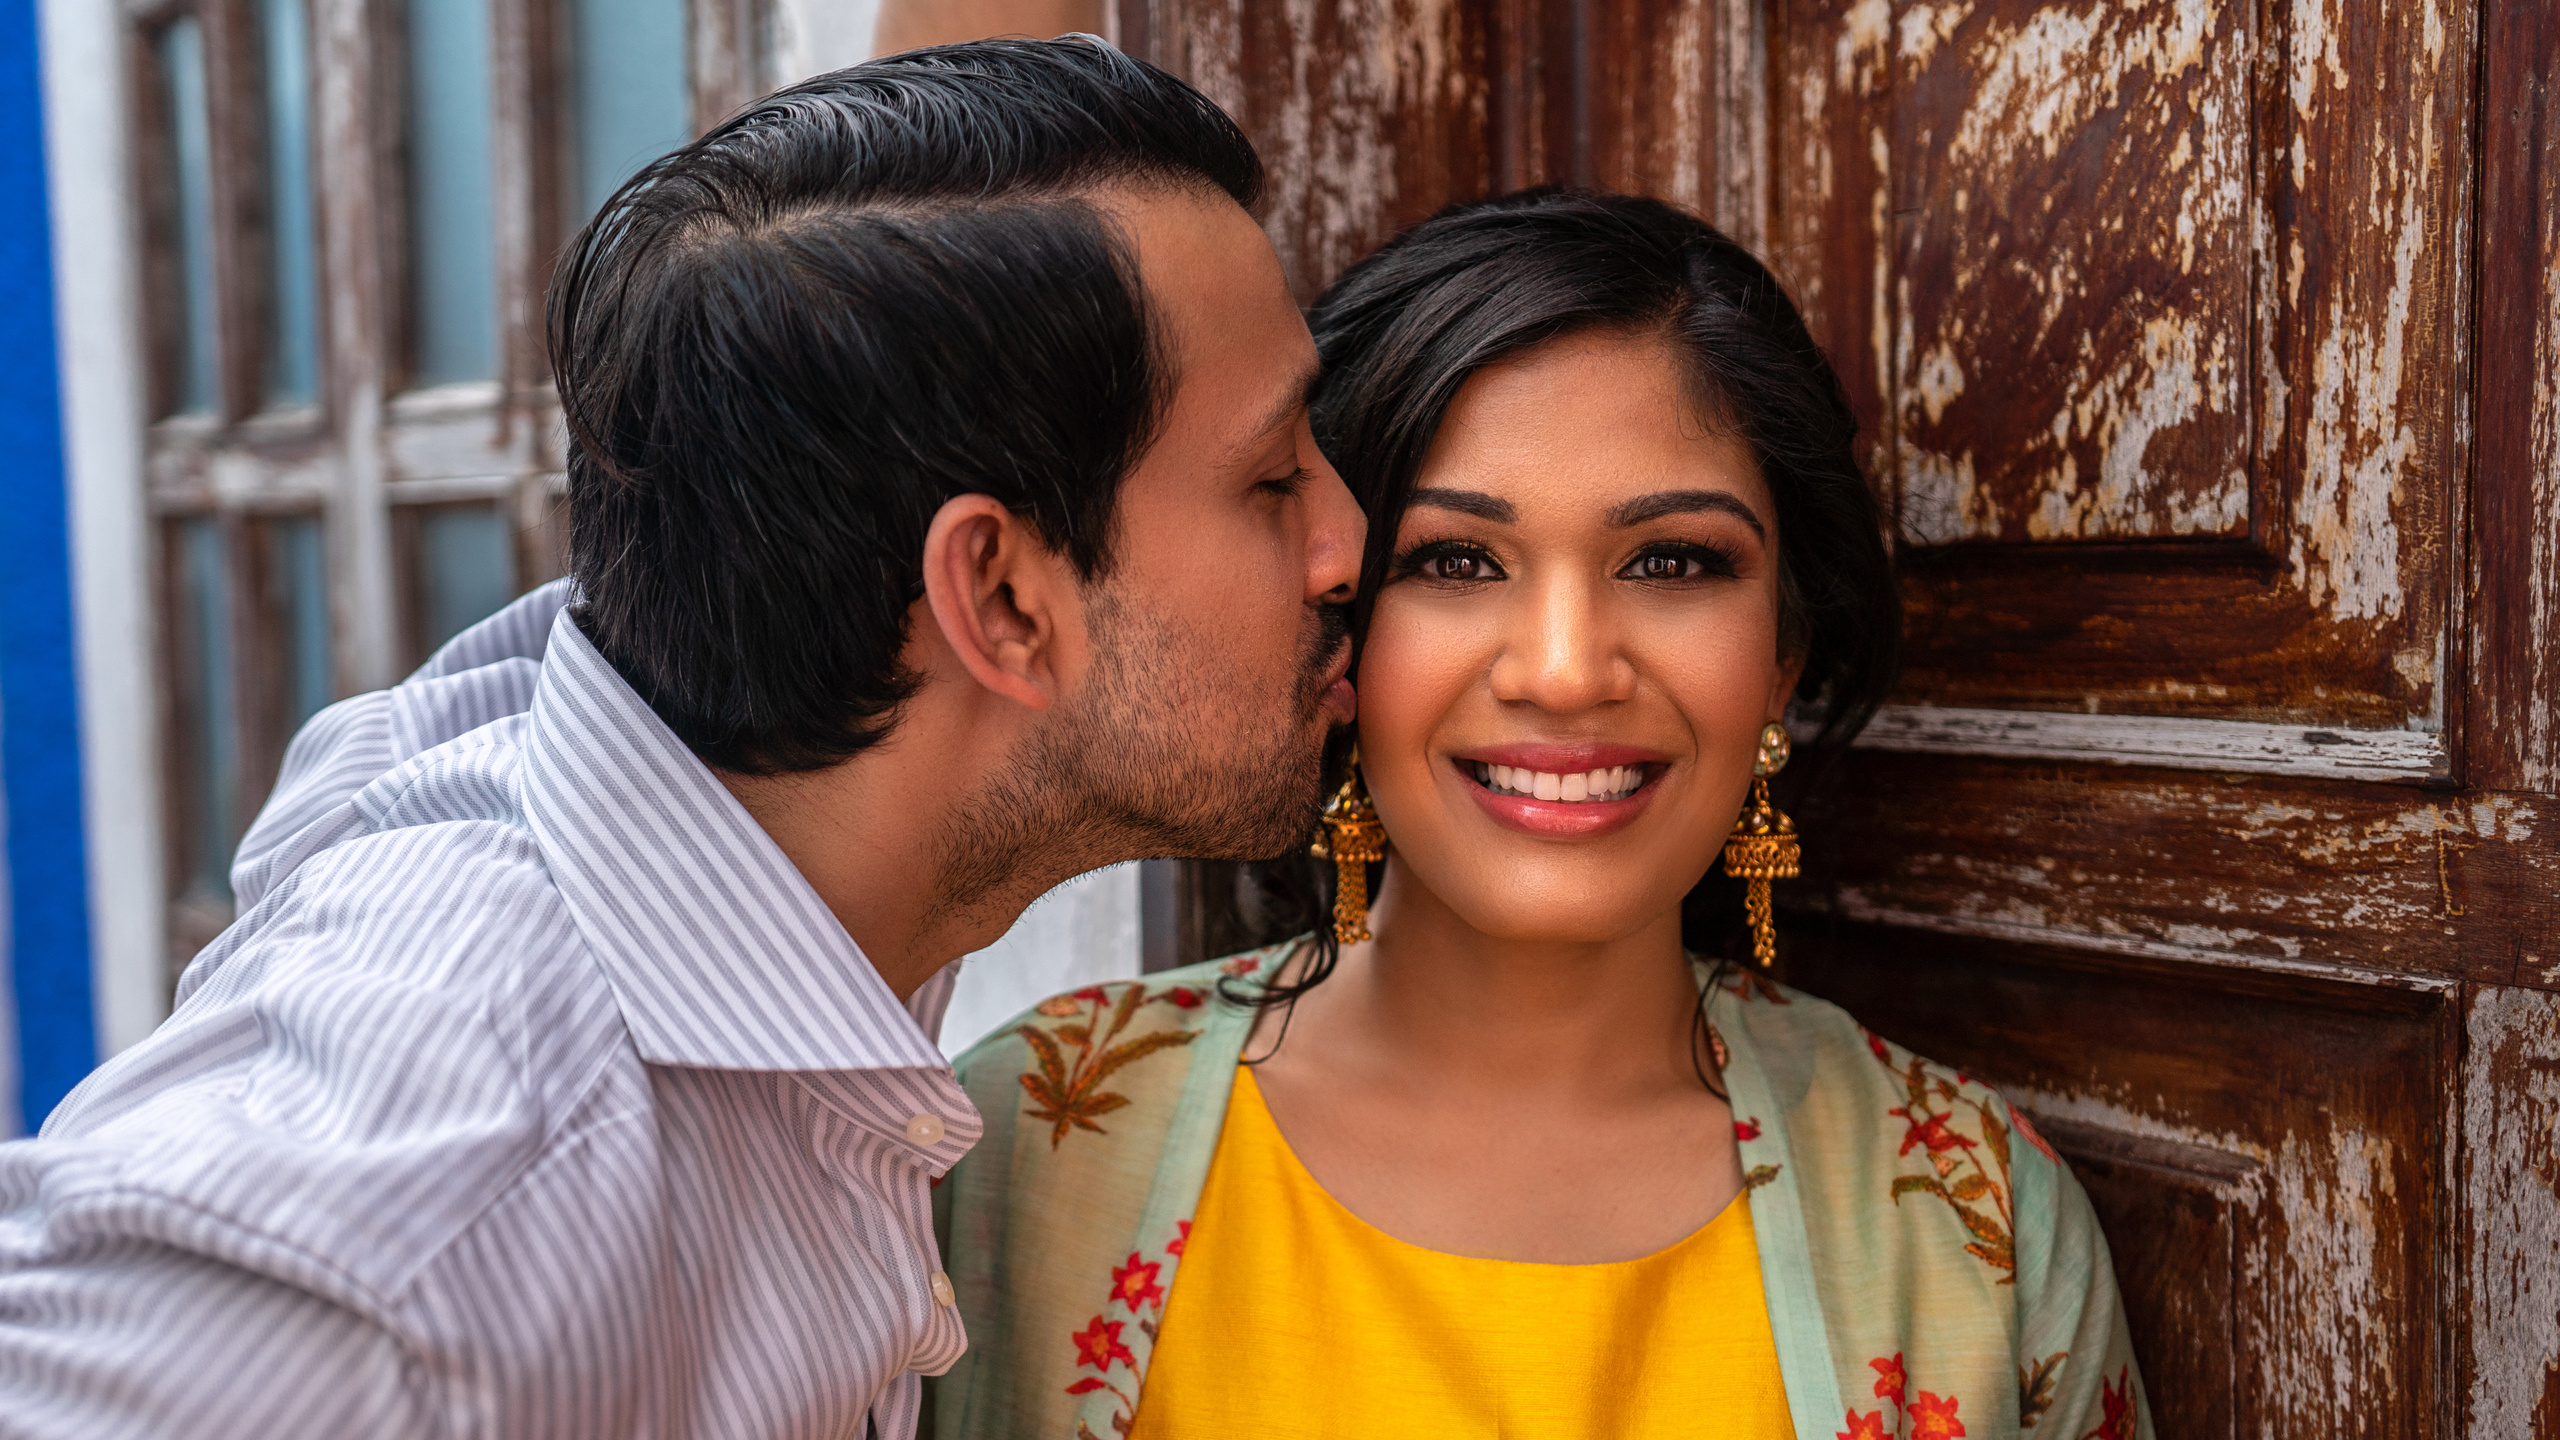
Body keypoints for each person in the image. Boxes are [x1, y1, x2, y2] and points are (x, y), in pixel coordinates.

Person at [0, 39, 1365, 1439]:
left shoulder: (694, 785)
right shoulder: (442, 1209)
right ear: (1003, 600)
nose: (1350, 544)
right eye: (1272, 479)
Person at [931, 190, 2153, 1440]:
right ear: (1332, 624)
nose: (1565, 670)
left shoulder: (1971, 1223)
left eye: (1672, 561)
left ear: (1781, 654)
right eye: (1454, 562)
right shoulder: (1016, 1151)